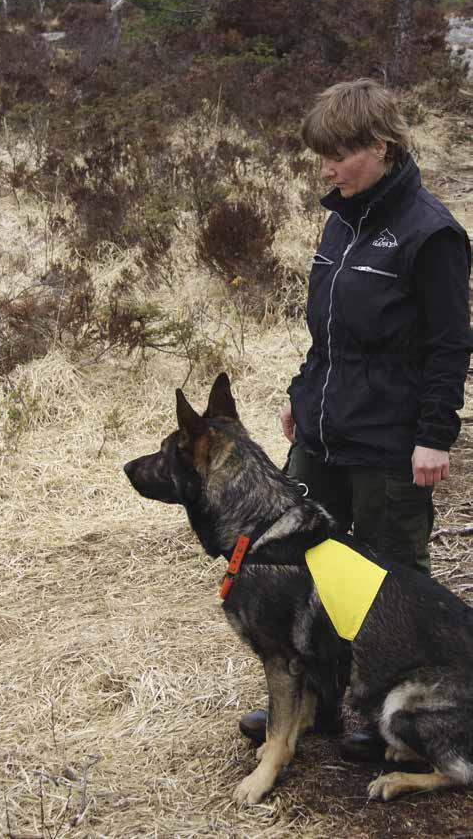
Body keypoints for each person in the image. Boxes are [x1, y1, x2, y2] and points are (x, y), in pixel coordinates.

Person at [240, 78, 472, 760]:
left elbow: (448, 345)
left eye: (338, 154)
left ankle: (391, 711)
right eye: (321, 155)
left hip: (390, 442)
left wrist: (435, 434)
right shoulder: (339, 219)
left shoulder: (432, 233)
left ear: (380, 145)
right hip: (323, 428)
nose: (326, 169)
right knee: (304, 565)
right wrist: (300, 393)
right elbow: (328, 331)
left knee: (390, 577)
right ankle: (314, 703)